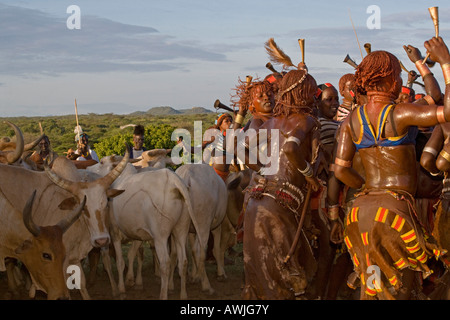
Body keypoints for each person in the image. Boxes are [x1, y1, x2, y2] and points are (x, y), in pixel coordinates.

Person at [333, 37, 450, 299]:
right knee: (400, 289)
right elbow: (446, 108)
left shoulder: (351, 120)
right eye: (397, 75)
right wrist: (445, 62)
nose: (399, 80)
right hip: (394, 214)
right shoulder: (400, 114)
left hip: (359, 212)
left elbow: (340, 171)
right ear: (389, 80)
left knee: (372, 288)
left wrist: (364, 187)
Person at [241, 65, 321, 299]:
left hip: (259, 200)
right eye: (311, 92)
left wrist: (266, 170)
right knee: (289, 272)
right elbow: (291, 148)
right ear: (303, 93)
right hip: (281, 205)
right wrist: (309, 175)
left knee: (262, 270)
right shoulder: (306, 121)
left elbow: (243, 150)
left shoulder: (271, 123)